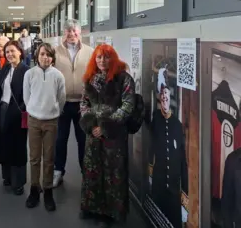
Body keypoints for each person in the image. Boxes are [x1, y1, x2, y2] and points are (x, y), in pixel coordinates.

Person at [79, 44, 135, 227]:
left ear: (113, 58)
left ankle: (112, 211)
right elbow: (84, 104)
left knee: (114, 172)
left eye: (106, 57)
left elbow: (127, 106)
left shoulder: (124, 79)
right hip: (93, 133)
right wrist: (91, 125)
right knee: (91, 169)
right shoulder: (89, 79)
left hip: (115, 134)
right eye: (99, 57)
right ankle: (91, 207)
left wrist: (106, 126)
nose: (102, 61)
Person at [23, 43, 66, 211]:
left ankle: (47, 190)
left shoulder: (58, 76)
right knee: (34, 157)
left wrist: (54, 111)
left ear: (52, 58)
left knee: (49, 158)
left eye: (48, 55)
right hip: (33, 120)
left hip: (51, 121)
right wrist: (33, 109)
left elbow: (61, 99)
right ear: (37, 56)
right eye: (42, 54)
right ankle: (35, 189)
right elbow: (27, 97)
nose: (45, 57)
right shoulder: (29, 74)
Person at [53, 19, 94, 187]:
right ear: (64, 33)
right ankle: (58, 171)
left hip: (83, 104)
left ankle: (86, 174)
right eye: (68, 31)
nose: (71, 34)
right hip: (62, 103)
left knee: (83, 140)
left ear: (80, 33)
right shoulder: (55, 52)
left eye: (74, 31)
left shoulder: (90, 52)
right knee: (60, 139)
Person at [148, 66, 188, 228]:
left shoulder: (177, 126)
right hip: (158, 185)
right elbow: (150, 150)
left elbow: (183, 162)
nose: (164, 98)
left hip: (173, 190)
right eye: (162, 95)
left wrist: (185, 201)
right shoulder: (156, 119)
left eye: (167, 95)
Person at [0, 40, 30, 195]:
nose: (10, 54)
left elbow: (29, 95)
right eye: (7, 52)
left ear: (20, 51)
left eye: (13, 51)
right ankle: (7, 177)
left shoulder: (26, 70)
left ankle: (18, 182)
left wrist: (22, 111)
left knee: (18, 146)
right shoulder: (6, 68)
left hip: (18, 112)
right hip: (2, 109)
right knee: (4, 142)